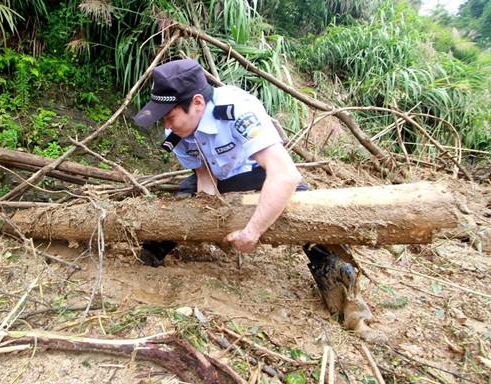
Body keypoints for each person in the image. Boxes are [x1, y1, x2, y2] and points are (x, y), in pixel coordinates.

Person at [133, 59, 377, 338]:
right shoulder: (176, 132)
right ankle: (147, 261)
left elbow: (284, 175)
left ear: (197, 103)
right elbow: (203, 177)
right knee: (177, 212)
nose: (166, 123)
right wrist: (207, 218)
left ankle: (346, 301)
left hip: (256, 172)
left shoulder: (237, 109)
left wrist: (253, 231)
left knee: (308, 217)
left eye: (170, 115)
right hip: (218, 176)